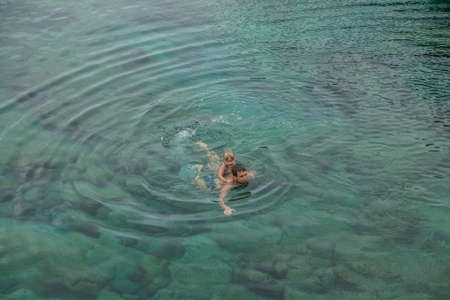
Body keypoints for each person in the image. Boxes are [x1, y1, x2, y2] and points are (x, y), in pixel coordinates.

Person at [193, 142, 255, 215]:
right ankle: (206, 148)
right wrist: (226, 208)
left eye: (245, 175)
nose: (245, 178)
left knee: (214, 160)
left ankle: (207, 149)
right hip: (214, 180)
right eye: (241, 176)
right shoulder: (229, 183)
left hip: (225, 173)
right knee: (212, 163)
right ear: (235, 177)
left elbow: (254, 173)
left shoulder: (248, 174)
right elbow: (220, 199)